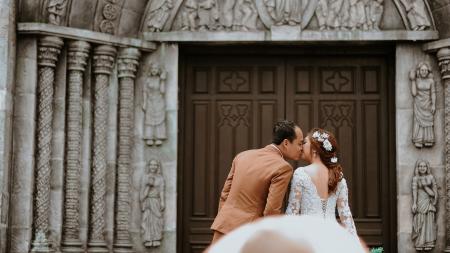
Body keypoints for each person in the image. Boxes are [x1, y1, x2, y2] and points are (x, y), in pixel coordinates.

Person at [210, 120, 304, 244]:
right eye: (300, 144)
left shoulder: (242, 156)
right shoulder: (283, 167)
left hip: (223, 227)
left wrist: (226, 218)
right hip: (248, 235)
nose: (301, 149)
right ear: (286, 143)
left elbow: (225, 194)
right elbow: (271, 210)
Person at [285, 128, 358, 238]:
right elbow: (346, 216)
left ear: (314, 149)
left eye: (304, 142)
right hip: (332, 235)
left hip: (308, 236)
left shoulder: (300, 174)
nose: (301, 146)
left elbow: (292, 212)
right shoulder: (338, 177)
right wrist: (355, 243)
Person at [208, 215, 367, 253]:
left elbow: (292, 208)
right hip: (327, 234)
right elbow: (345, 211)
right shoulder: (338, 177)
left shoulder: (302, 174)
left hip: (300, 229)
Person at [412, 159, 438, 251]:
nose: (422, 168)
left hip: (428, 201)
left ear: (427, 168)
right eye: (420, 166)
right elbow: (414, 191)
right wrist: (414, 203)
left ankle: (429, 241)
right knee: (420, 221)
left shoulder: (430, 177)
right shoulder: (415, 178)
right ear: (417, 168)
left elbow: (433, 193)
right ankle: (420, 241)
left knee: (429, 221)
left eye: (424, 166)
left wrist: (425, 186)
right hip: (420, 201)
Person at [410, 62, 436, 148]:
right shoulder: (417, 80)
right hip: (418, 104)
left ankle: (428, 140)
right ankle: (418, 139)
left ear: (428, 71)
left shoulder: (431, 81)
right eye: (422, 70)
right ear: (419, 71)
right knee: (418, 122)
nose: (424, 72)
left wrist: (433, 105)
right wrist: (413, 80)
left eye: (425, 70)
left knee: (428, 121)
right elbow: (414, 93)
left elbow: (433, 93)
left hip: (427, 104)